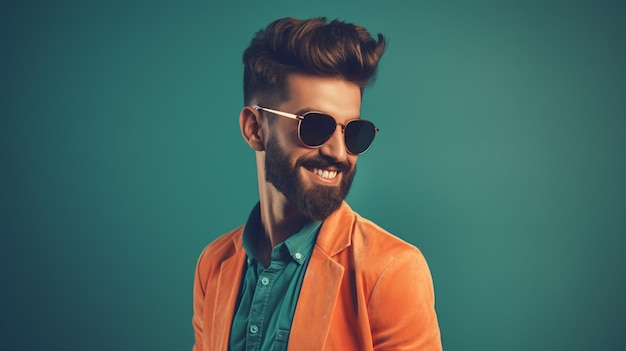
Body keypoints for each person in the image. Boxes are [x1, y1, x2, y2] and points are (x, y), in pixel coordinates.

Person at [192, 17, 442, 351]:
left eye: (354, 132)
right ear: (255, 128)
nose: (339, 153)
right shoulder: (214, 264)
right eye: (315, 126)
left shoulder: (391, 272)